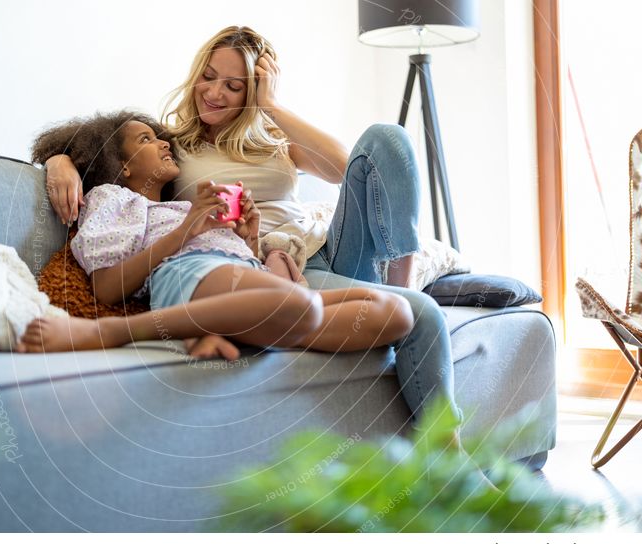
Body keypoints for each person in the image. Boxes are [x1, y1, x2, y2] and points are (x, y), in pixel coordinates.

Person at [41, 26, 457, 423]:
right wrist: (59, 161)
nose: (215, 92)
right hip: (274, 265)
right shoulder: (175, 144)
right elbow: (109, 150)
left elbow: (343, 167)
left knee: (387, 139)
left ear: (252, 93)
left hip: (328, 248)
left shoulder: (274, 135)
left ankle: (398, 283)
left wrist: (271, 106)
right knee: (419, 316)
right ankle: (448, 454)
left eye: (234, 86)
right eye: (208, 77)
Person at [19, 110, 414, 356]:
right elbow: (107, 288)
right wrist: (187, 231)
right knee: (303, 307)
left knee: (396, 312)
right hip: (188, 273)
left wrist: (250, 240)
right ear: (121, 166)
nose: (162, 142)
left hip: (245, 279)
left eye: (159, 136)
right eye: (146, 139)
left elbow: (245, 264)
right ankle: (107, 332)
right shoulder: (115, 199)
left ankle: (239, 328)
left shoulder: (182, 206)